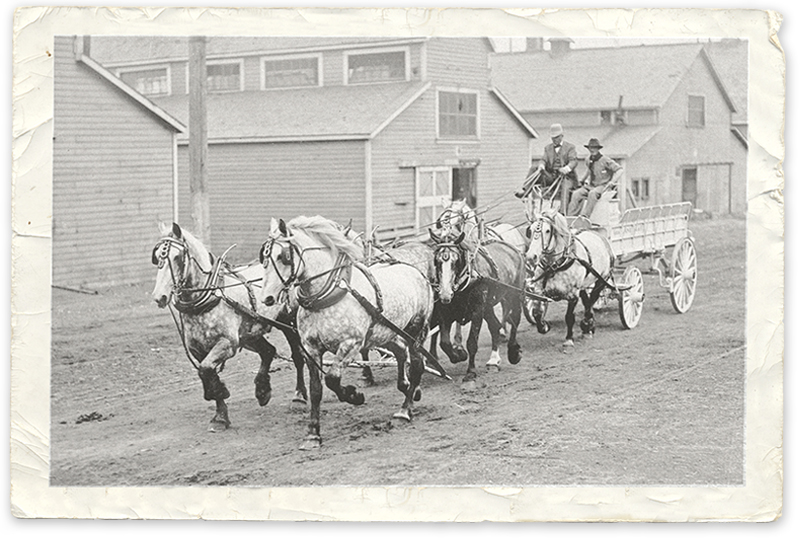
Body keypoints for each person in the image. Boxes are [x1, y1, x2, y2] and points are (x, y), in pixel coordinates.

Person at [515, 123, 578, 198]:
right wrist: (541, 165)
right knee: (533, 168)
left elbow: (573, 161)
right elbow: (543, 159)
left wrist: (567, 168)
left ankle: (563, 209)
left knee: (565, 189)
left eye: (557, 137)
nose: (555, 140)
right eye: (553, 138)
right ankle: (525, 191)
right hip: (551, 177)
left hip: (565, 178)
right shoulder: (548, 148)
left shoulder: (570, 147)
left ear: (562, 136)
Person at [568, 138, 624, 218]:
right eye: (591, 148)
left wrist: (612, 182)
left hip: (602, 186)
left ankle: (584, 217)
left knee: (592, 194)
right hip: (591, 186)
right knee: (576, 194)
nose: (592, 150)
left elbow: (620, 170)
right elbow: (589, 171)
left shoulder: (605, 160)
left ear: (598, 149)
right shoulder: (588, 159)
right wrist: (582, 180)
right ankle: (571, 217)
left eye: (594, 148)